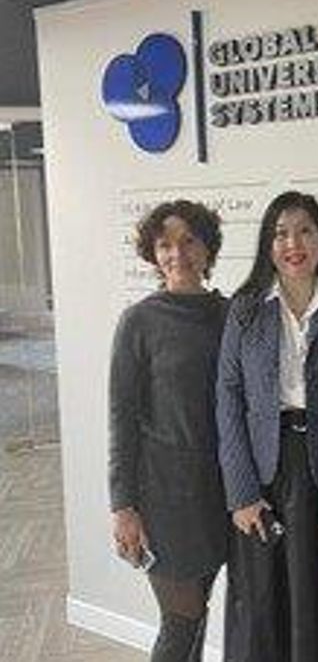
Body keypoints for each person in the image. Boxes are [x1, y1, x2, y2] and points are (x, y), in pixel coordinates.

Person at [216, 191, 318, 662]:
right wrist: (241, 491)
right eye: (281, 232)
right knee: (264, 598)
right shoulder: (245, 309)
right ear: (268, 244)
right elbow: (227, 400)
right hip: (265, 469)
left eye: (306, 230)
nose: (294, 242)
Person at [109, 200, 229, 661]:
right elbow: (121, 416)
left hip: (222, 498)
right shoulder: (139, 321)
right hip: (164, 501)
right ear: (152, 253)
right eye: (165, 244)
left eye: (188, 241)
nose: (177, 253)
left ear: (207, 247)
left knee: (198, 620)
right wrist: (123, 506)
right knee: (179, 627)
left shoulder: (232, 313)